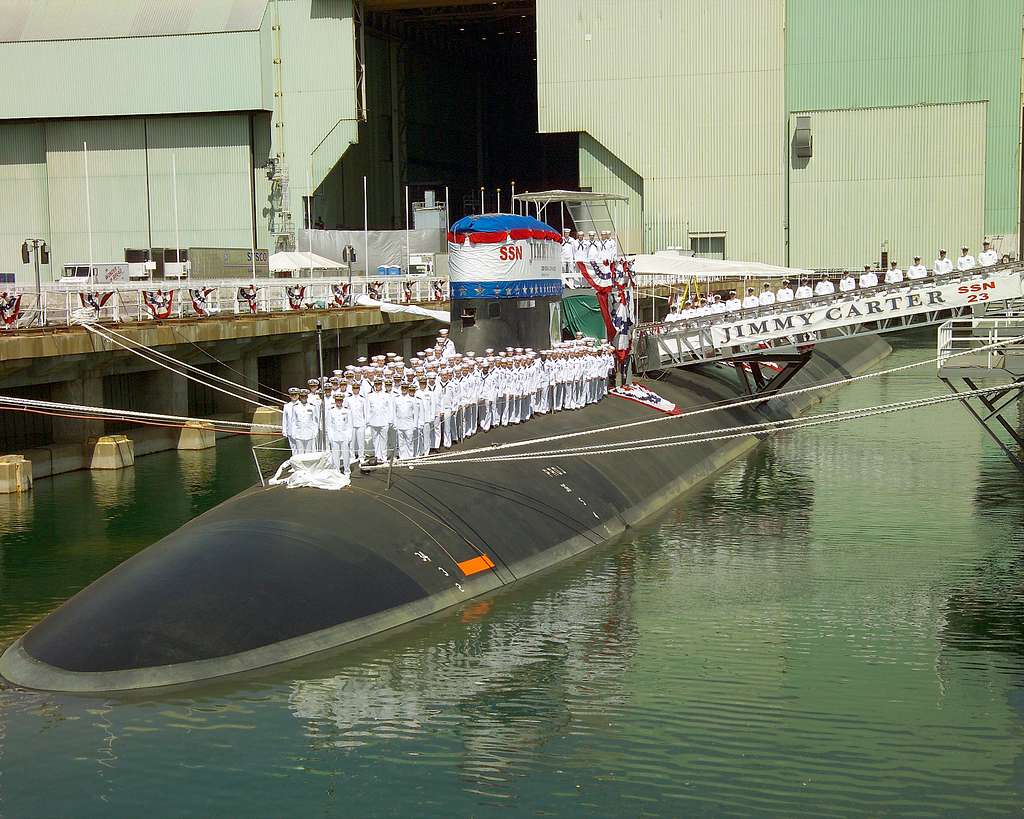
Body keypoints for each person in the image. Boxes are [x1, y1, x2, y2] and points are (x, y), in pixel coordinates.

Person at [366, 380, 394, 464]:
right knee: (375, 440)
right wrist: (368, 420)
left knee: (384, 440)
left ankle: (384, 456)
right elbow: (367, 409)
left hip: (384, 420)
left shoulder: (387, 395)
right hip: (373, 421)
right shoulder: (370, 396)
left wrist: (390, 420)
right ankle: (377, 456)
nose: (377, 386)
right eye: (376, 384)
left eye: (379, 384)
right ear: (374, 385)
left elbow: (390, 408)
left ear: (381, 385)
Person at [326, 394, 353, 475]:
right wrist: (330, 437)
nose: (339, 402)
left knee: (346, 455)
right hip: (334, 436)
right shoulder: (331, 411)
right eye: (337, 400)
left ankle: (347, 470)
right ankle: (336, 470)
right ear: (335, 401)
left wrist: (349, 436)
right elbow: (329, 426)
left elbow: (350, 425)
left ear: (342, 401)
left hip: (344, 436)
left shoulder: (347, 411)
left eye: (340, 400)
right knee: (335, 455)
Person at [393, 383, 420, 461]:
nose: (404, 389)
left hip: (409, 423)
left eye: (405, 388)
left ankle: (410, 458)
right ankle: (402, 458)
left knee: (409, 442)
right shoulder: (397, 398)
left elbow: (416, 413)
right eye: (403, 388)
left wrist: (415, 425)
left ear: (408, 388)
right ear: (401, 388)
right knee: (401, 443)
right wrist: (395, 423)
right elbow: (394, 412)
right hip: (399, 423)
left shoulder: (412, 399)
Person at [291, 390, 320, 455]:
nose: (304, 398)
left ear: (307, 397)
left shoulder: (312, 406)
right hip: (299, 433)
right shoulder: (295, 407)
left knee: (308, 453)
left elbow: (315, 421)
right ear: (300, 397)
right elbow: (293, 421)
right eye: (302, 396)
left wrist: (315, 432)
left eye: (305, 396)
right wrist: (293, 433)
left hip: (309, 433)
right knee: (300, 453)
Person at [346, 381, 367, 465]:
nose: (356, 390)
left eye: (357, 388)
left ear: (359, 389)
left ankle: (361, 456)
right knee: (351, 441)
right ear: (352, 389)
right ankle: (352, 456)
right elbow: (346, 411)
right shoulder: (348, 399)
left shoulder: (362, 399)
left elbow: (365, 411)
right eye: (354, 388)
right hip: (351, 423)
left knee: (361, 441)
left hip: (360, 422)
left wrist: (365, 422)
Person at [282, 387, 300, 455]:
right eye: (292, 395)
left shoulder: (301, 405)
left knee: (300, 448)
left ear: (298, 395)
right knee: (293, 448)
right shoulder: (286, 406)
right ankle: (295, 463)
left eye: (295, 394)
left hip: (299, 431)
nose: (294, 396)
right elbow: (285, 419)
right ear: (290, 396)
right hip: (290, 431)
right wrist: (284, 431)